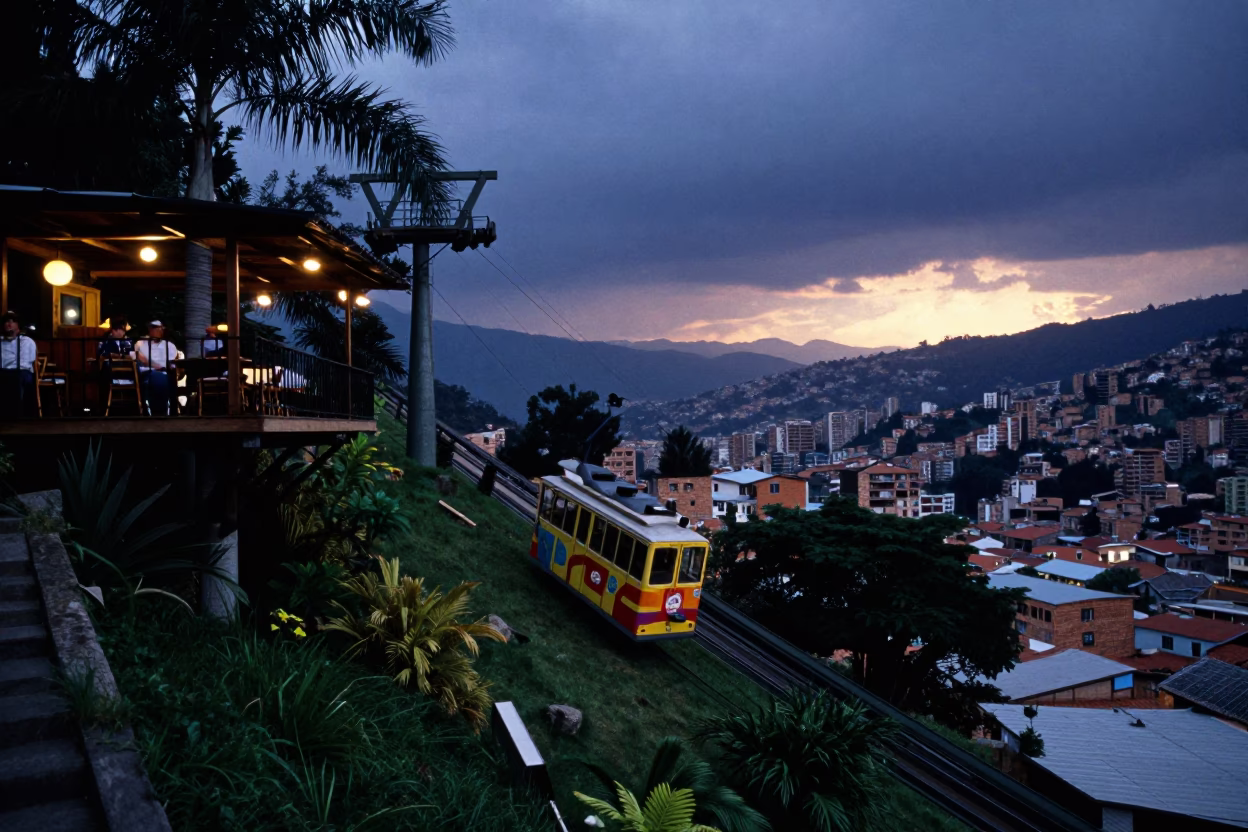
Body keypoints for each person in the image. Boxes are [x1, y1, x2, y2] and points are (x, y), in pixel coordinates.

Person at [134, 320, 183, 416]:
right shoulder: (140, 344)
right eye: (156, 328)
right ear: (150, 329)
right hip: (145, 373)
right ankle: (154, 412)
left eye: (161, 328)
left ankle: (162, 412)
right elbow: (139, 359)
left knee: (161, 377)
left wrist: (150, 363)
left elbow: (169, 364)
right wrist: (153, 365)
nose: (159, 330)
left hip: (164, 372)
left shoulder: (169, 345)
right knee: (155, 377)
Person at [0, 311, 37, 417]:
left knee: (17, 378)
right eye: (6, 321)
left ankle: (17, 414)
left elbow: (24, 363)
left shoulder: (26, 341)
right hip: (4, 371)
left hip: (21, 372)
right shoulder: (1, 342)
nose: (9, 324)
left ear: (18, 326)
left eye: (12, 321)